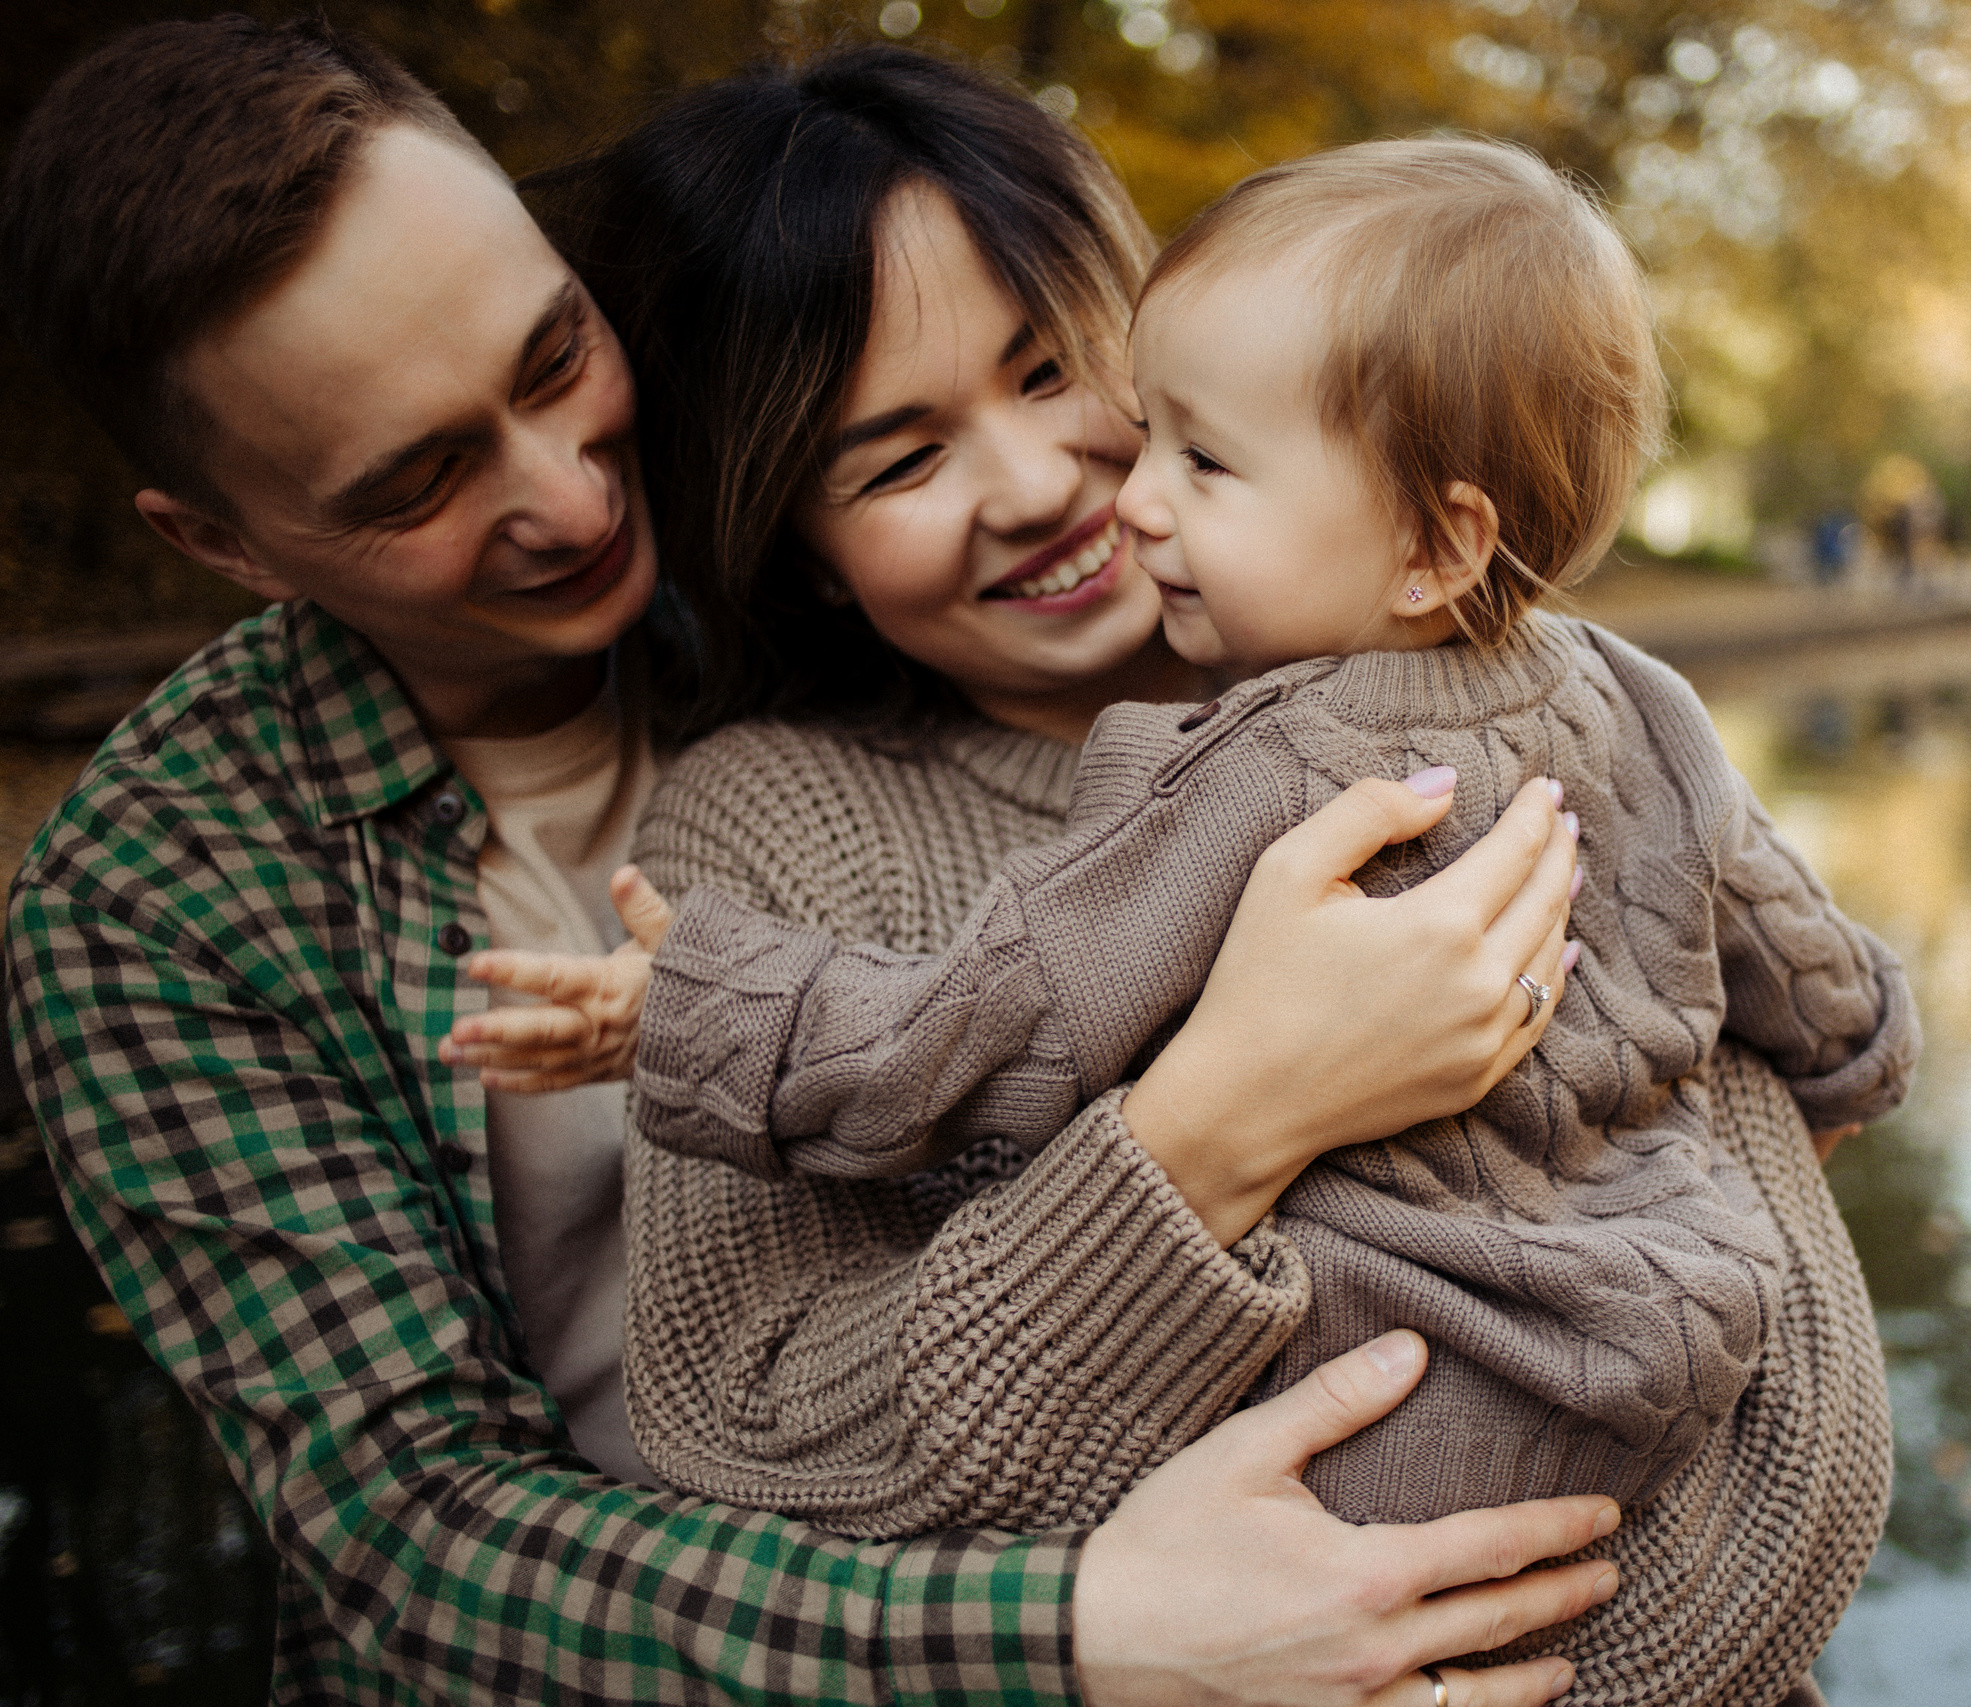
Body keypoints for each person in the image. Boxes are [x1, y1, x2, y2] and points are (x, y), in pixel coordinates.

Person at [0, 19, 1619, 1705]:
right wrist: (1085, 1638)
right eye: (420, 479)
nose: (569, 498)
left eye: (556, 360)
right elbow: (420, 1540)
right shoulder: (158, 897)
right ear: (226, 542)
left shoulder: (983, 590)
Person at [449, 56, 1897, 1707]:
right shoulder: (774, 837)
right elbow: (761, 1430)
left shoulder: (1517, 688)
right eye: (899, 460)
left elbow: (1754, 1140)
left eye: (1059, 369)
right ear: (798, 540)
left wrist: (1666, 1622)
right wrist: (1219, 1120)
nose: (1049, 484)